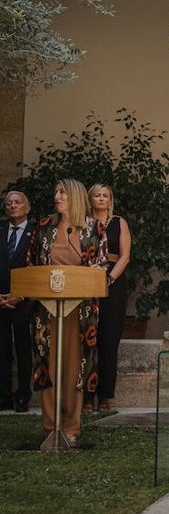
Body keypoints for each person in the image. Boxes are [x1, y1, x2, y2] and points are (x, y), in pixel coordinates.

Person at [28, 179, 108, 445]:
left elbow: (101, 266)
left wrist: (94, 273)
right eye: (55, 191)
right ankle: (51, 427)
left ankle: (72, 428)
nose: (57, 196)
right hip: (46, 310)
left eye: (62, 192)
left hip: (80, 311)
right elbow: (31, 264)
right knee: (48, 366)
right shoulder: (43, 227)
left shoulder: (94, 228)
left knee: (75, 367)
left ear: (74, 196)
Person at [89, 183, 131, 414]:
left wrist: (109, 278)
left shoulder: (119, 222)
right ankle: (86, 395)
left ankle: (104, 396)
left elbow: (125, 256)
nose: (102, 199)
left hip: (113, 282)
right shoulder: (83, 223)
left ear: (110, 199)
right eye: (97, 195)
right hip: (87, 280)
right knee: (87, 340)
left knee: (109, 339)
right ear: (90, 199)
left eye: (106, 195)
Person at [0, 191, 36, 413]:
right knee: (1, 349)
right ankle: (3, 396)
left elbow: (39, 265)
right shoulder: (1, 232)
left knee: (24, 348)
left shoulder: (36, 233)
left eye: (17, 202)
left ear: (27, 207)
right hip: (0, 301)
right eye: (8, 203)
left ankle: (23, 395)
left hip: (25, 301)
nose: (13, 206)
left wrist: (21, 295)